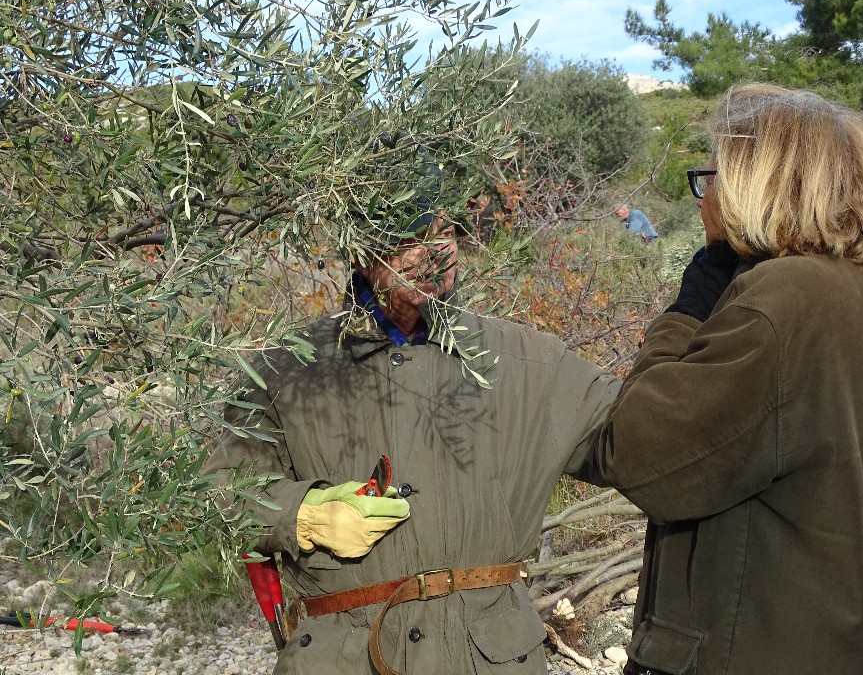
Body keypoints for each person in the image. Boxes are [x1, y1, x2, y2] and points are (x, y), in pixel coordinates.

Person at [205, 184, 621, 674]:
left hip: (491, 660)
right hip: (342, 660)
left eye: (445, 231)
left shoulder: (530, 362)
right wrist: (305, 515)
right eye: (412, 237)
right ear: (361, 253)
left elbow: (643, 436)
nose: (436, 251)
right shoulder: (284, 373)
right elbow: (218, 496)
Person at [570, 83, 863, 675]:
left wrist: (687, 310)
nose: (702, 198)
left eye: (714, 176)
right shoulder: (856, 294)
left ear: (761, 181)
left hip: (738, 654)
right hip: (814, 641)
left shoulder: (782, 300)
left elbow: (638, 451)